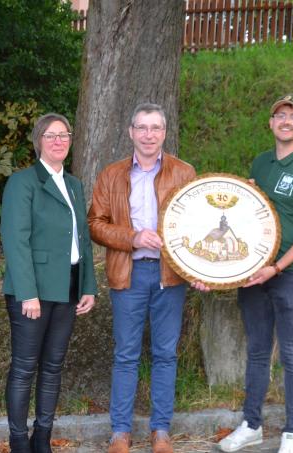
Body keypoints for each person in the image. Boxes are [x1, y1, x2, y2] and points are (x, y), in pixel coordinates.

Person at [217, 94, 293, 453]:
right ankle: (251, 424)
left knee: (292, 354)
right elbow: (249, 217)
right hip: (255, 273)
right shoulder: (261, 163)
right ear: (270, 123)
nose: (286, 121)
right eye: (280, 115)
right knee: (257, 351)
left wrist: (277, 267)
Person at [88, 103, 196, 453]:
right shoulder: (111, 175)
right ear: (131, 132)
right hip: (128, 273)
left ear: (164, 132)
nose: (149, 135)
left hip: (170, 275)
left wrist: (200, 269)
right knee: (126, 354)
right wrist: (132, 237)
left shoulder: (184, 172)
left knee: (165, 354)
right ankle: (120, 432)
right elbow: (95, 224)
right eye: (142, 128)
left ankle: (161, 431)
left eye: (156, 128)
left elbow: (199, 222)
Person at [1, 113, 97, 453]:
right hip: (33, 291)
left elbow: (82, 240)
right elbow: (16, 240)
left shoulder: (74, 185)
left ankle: (42, 437)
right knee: (24, 368)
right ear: (38, 141)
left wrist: (88, 285)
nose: (59, 141)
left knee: (53, 367)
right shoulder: (23, 183)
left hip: (68, 287)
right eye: (51, 135)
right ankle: (18, 441)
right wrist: (28, 294)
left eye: (64, 135)